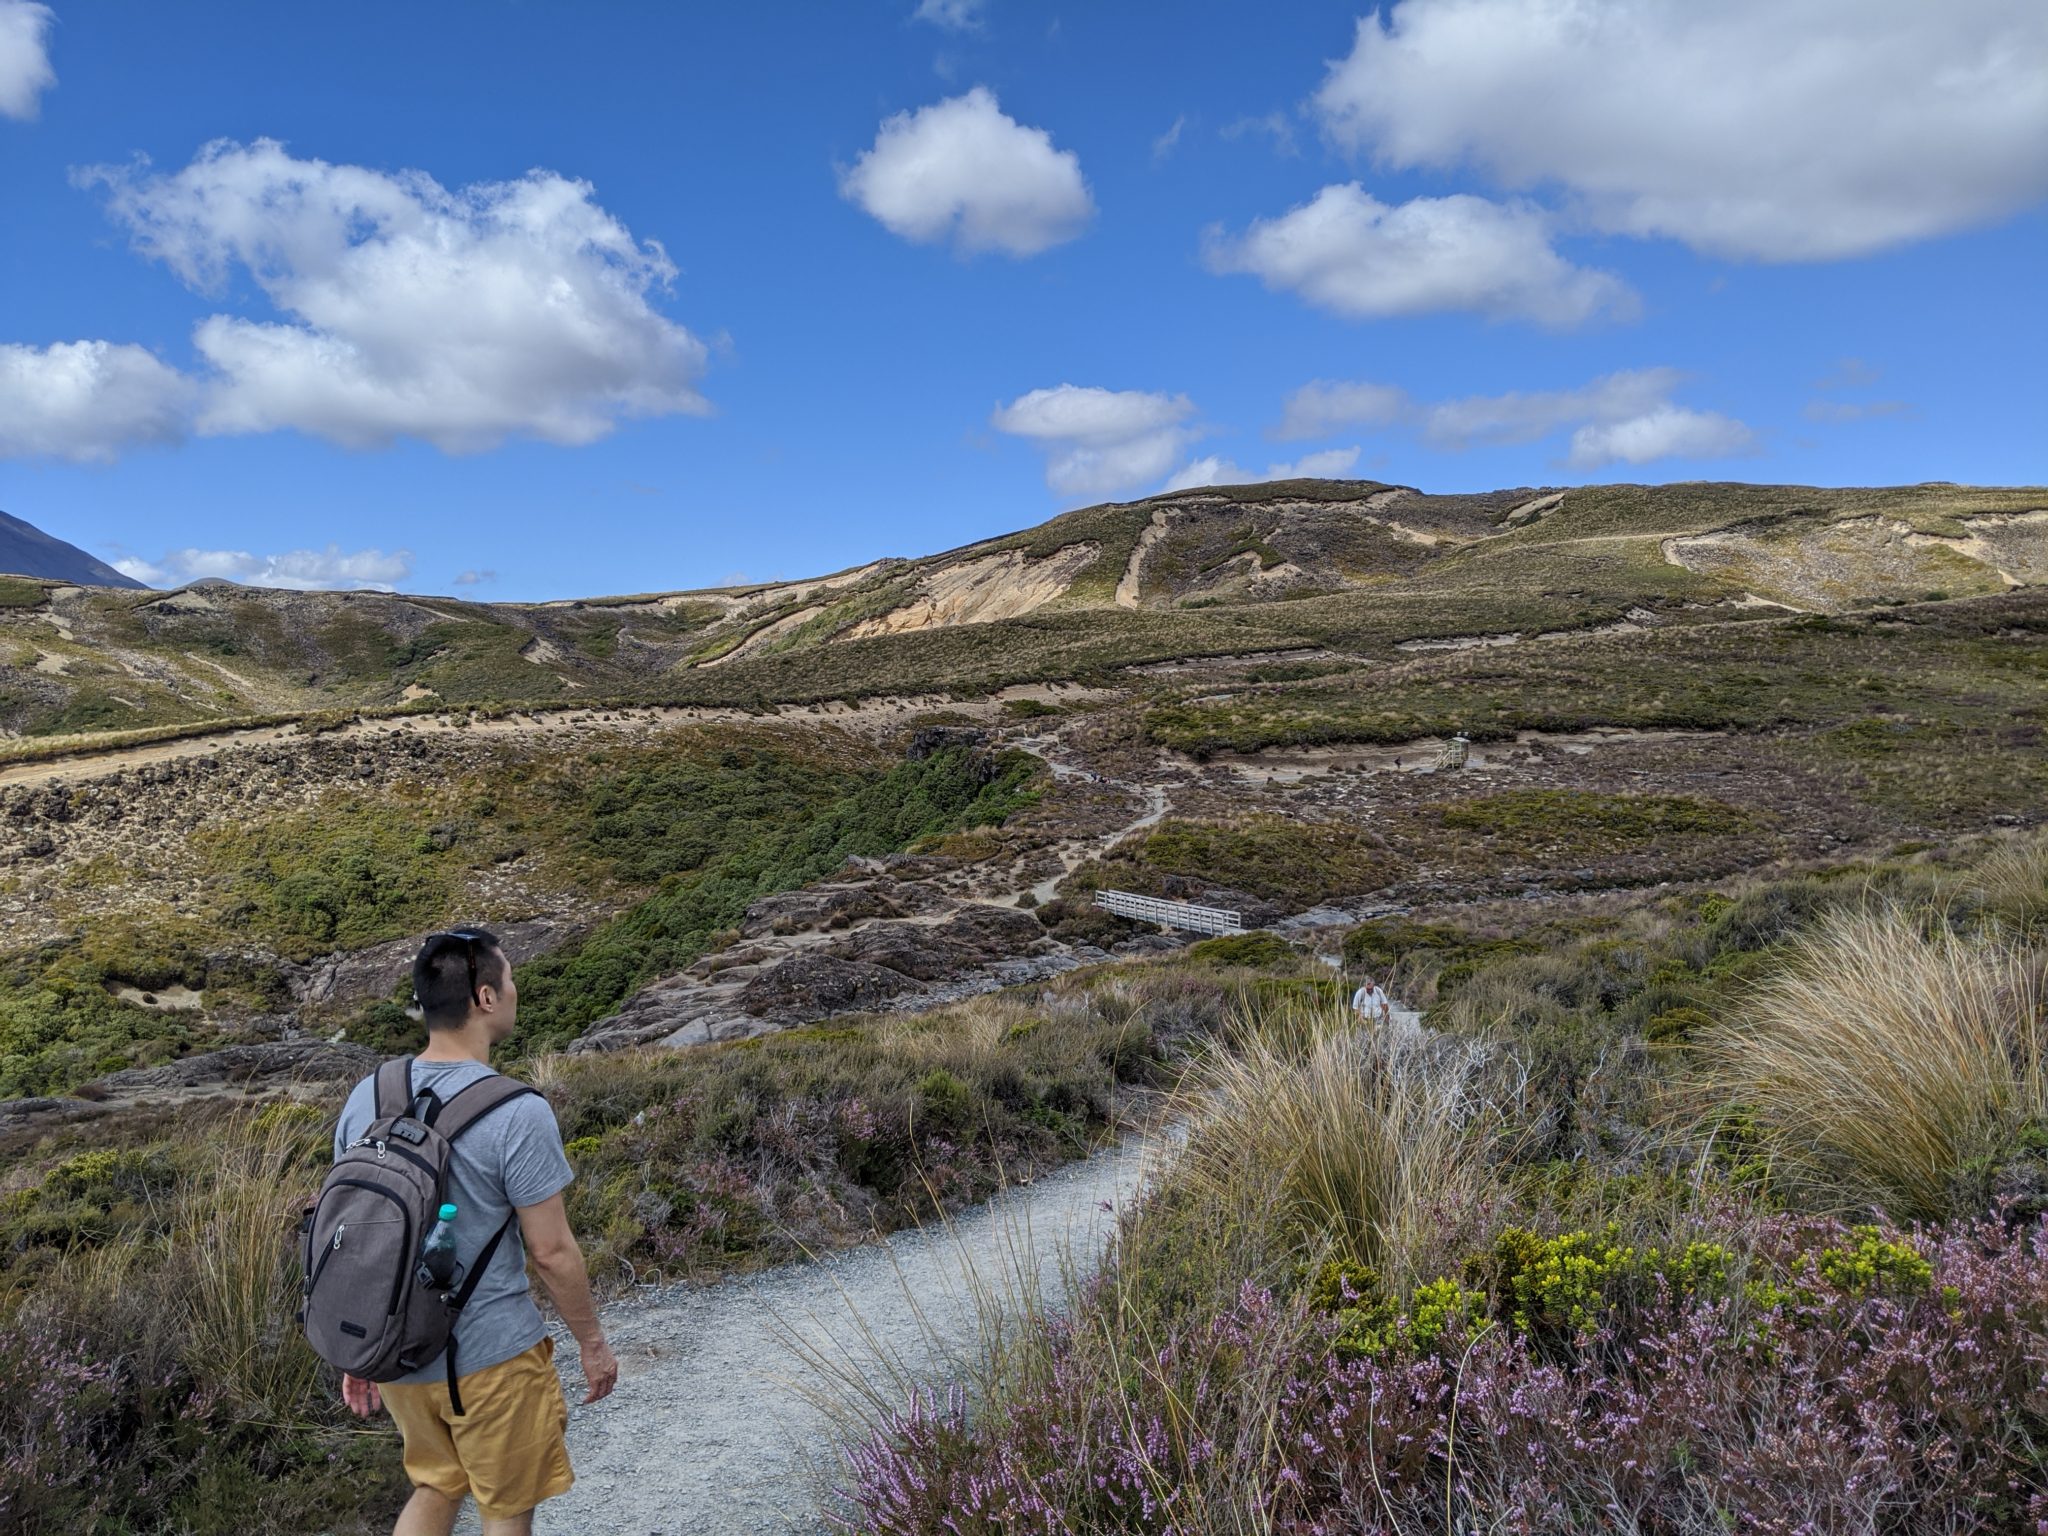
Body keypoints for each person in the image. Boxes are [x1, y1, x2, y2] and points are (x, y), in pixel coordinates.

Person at [334, 928, 619, 1536]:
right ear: (485, 998)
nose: (515, 991)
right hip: (492, 1358)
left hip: (400, 1355)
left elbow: (354, 1232)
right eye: (510, 980)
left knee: (437, 1483)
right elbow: (550, 1251)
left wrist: (360, 1347)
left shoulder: (369, 1096)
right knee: (506, 1508)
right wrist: (592, 1343)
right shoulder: (517, 1110)